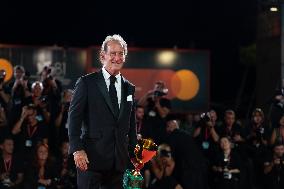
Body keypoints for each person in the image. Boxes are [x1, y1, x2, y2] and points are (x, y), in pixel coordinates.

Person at [68, 34, 137, 189]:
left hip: (119, 162)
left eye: (121, 54)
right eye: (113, 53)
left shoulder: (129, 88)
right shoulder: (87, 83)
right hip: (90, 159)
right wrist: (77, 149)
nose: (117, 58)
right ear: (102, 56)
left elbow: (131, 124)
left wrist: (134, 155)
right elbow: (74, 118)